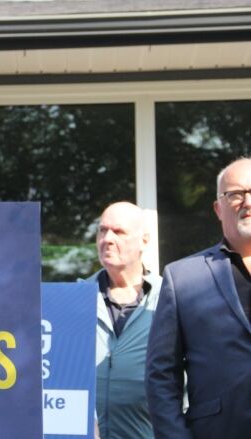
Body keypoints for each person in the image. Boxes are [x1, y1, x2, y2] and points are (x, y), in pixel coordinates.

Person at [146, 158, 251, 438]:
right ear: (218, 208)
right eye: (236, 194)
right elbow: (161, 375)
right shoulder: (182, 278)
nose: (247, 202)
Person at [84, 202, 161, 439]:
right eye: (102, 230)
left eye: (119, 232)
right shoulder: (78, 298)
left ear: (144, 241)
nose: (107, 239)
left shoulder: (170, 296)